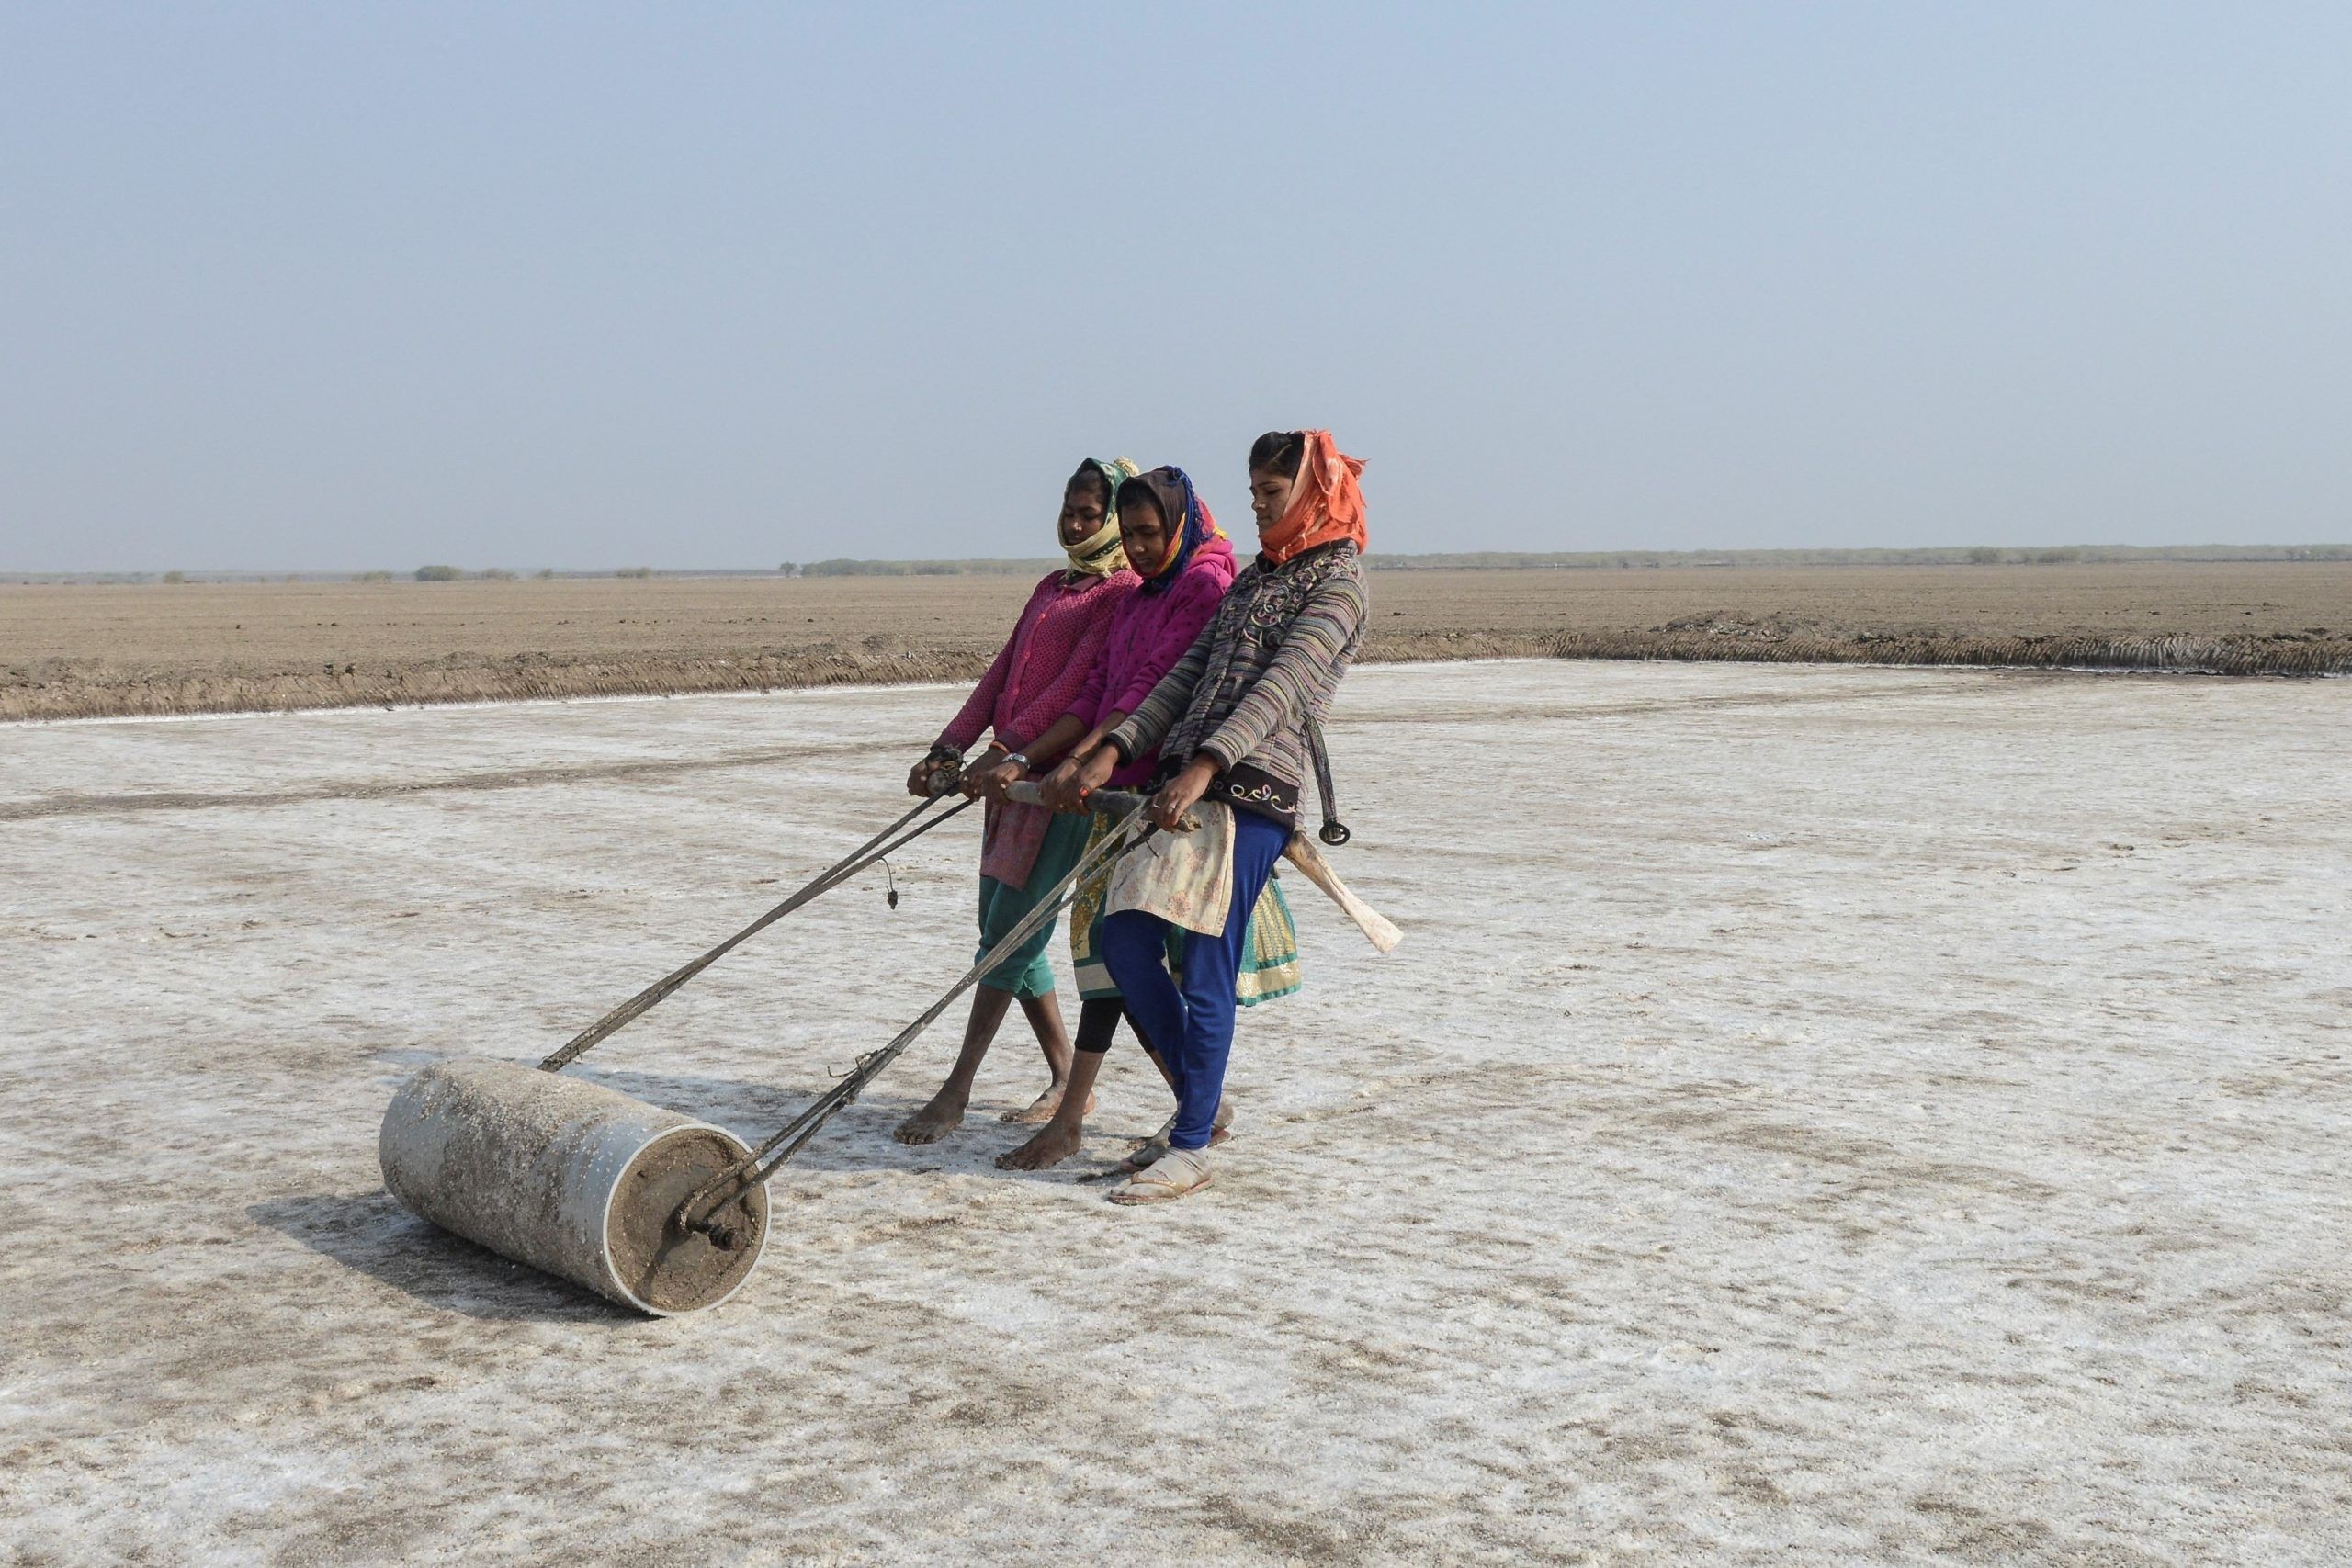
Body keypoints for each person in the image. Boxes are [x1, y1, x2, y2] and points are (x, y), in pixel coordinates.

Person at [1048, 430, 1369, 1202]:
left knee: (1208, 956)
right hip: (1186, 780)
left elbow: (1283, 685)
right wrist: (1116, 745)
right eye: (1253, 491)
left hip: (1253, 787)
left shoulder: (1340, 584)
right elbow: (1189, 674)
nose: (1257, 507)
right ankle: (1204, 1102)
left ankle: (1191, 1144)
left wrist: (1205, 765)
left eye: (1273, 493)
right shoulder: (1258, 578)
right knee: (1122, 936)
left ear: (1315, 495)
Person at [996, 466, 1301, 1172]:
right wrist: (1053, 756)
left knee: (1186, 965)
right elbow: (1113, 686)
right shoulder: (1145, 596)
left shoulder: (1206, 585)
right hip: (1128, 792)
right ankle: (1190, 1107)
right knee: (1119, 957)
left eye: (1146, 533)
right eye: (1126, 534)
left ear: (1178, 526)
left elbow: (1176, 685)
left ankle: (1187, 1127)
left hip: (1186, 801)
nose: (1134, 548)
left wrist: (1107, 757)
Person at [895, 458, 1140, 1144]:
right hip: (1009, 783)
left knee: (1008, 935)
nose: (1074, 523)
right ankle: (1067, 1074)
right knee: (1004, 930)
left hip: (1056, 787)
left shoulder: (1116, 592)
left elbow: (1075, 690)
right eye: (1069, 509)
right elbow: (1003, 673)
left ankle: (957, 1089)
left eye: (1091, 514)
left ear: (1115, 518)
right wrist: (949, 745)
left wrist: (1012, 753)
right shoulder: (1052, 586)